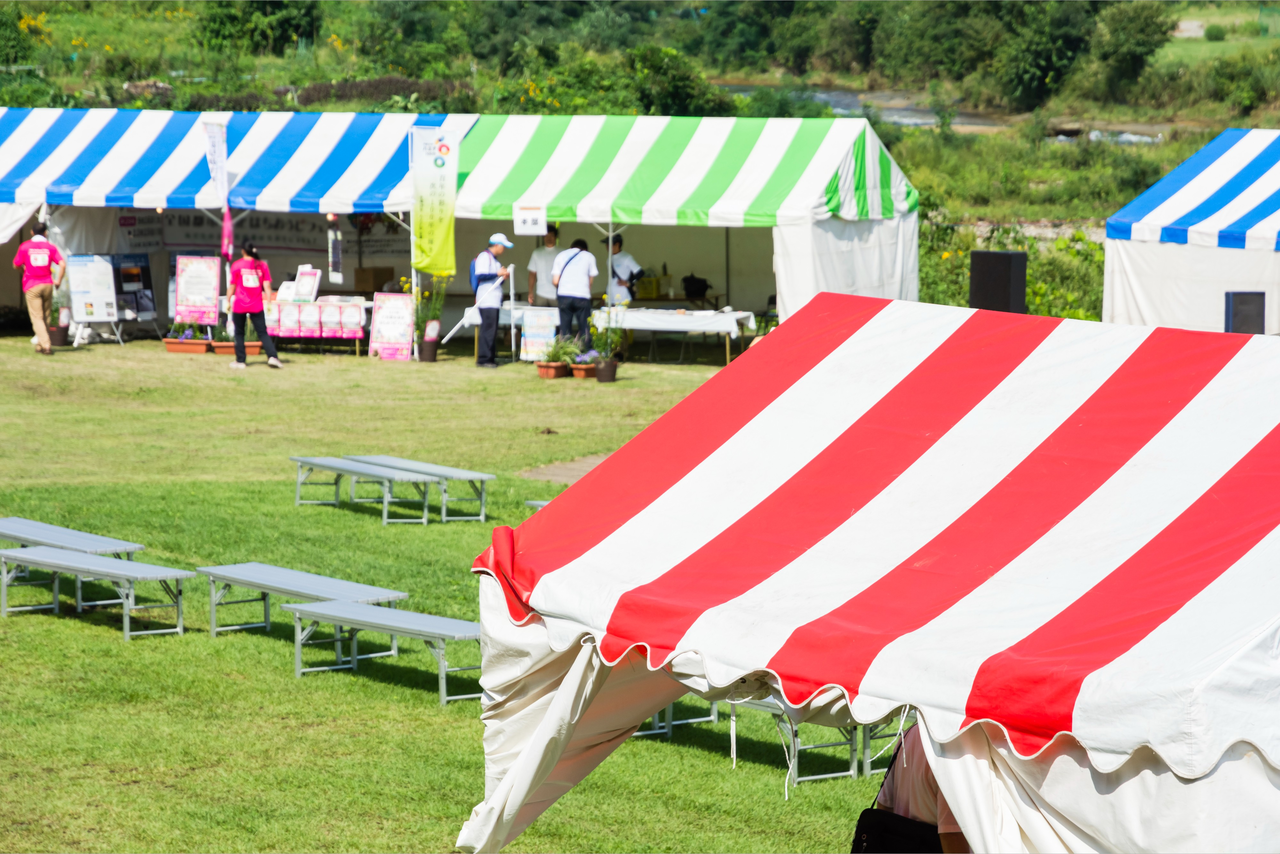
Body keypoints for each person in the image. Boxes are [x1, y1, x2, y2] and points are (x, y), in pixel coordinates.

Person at [875, 724, 970, 853]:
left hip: (900, 845)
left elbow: (884, 806)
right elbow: (951, 835)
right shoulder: (954, 746)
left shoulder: (909, 734)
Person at [226, 240, 282, 370]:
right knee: (262, 332)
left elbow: (232, 287)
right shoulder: (262, 265)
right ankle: (272, 357)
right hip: (256, 304)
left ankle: (240, 361)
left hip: (239, 304)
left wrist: (228, 301)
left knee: (239, 333)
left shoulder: (237, 265)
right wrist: (268, 301)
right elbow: (267, 285)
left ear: (243, 251)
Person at [14, 221, 65, 355]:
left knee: (37, 317)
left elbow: (16, 264)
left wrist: (23, 271)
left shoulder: (25, 246)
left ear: (31, 232)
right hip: (47, 283)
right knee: (46, 316)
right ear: (45, 233)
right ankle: (39, 345)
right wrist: (58, 280)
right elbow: (62, 264)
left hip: (32, 284)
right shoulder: (50, 247)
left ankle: (46, 345)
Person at [474, 233, 513, 368]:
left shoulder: (495, 260)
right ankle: (483, 359)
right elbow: (481, 275)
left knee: (492, 330)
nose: (504, 250)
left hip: (494, 299)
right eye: (503, 246)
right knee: (488, 329)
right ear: (497, 245)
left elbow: (495, 280)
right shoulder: (484, 256)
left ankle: (490, 358)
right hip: (486, 299)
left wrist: (502, 277)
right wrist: (498, 274)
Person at [552, 238, 598, 348]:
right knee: (584, 328)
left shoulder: (561, 255)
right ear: (585, 249)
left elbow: (555, 281)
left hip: (563, 295)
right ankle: (586, 355)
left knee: (565, 329)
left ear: (571, 247)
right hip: (582, 295)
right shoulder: (589, 256)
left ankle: (565, 355)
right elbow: (590, 281)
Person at [601, 233, 641, 306]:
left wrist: (629, 283)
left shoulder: (626, 257)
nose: (606, 247)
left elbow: (640, 272)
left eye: (609, 244)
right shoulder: (609, 259)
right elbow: (611, 279)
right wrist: (605, 294)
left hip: (623, 297)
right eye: (606, 244)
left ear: (617, 244)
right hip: (610, 297)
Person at [526, 224, 559, 307]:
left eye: (551, 236)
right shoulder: (537, 253)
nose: (549, 238)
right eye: (546, 236)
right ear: (543, 237)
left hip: (557, 294)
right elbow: (532, 274)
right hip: (541, 293)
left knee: (558, 319)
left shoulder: (562, 253)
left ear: (556, 237)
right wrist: (530, 292)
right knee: (539, 319)